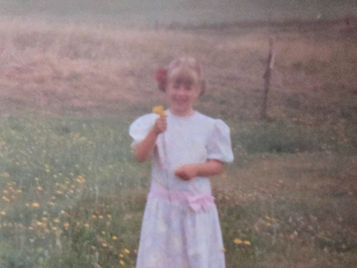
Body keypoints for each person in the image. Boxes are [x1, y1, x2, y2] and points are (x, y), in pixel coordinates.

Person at [129, 57, 234, 268]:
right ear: (165, 87)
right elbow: (140, 157)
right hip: (163, 210)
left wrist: (196, 168)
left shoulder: (208, 126)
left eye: (188, 88)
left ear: (198, 90)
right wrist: (154, 133)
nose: (181, 93)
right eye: (176, 86)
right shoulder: (156, 122)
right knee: (161, 257)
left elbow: (217, 165)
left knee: (195, 257)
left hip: (194, 210)